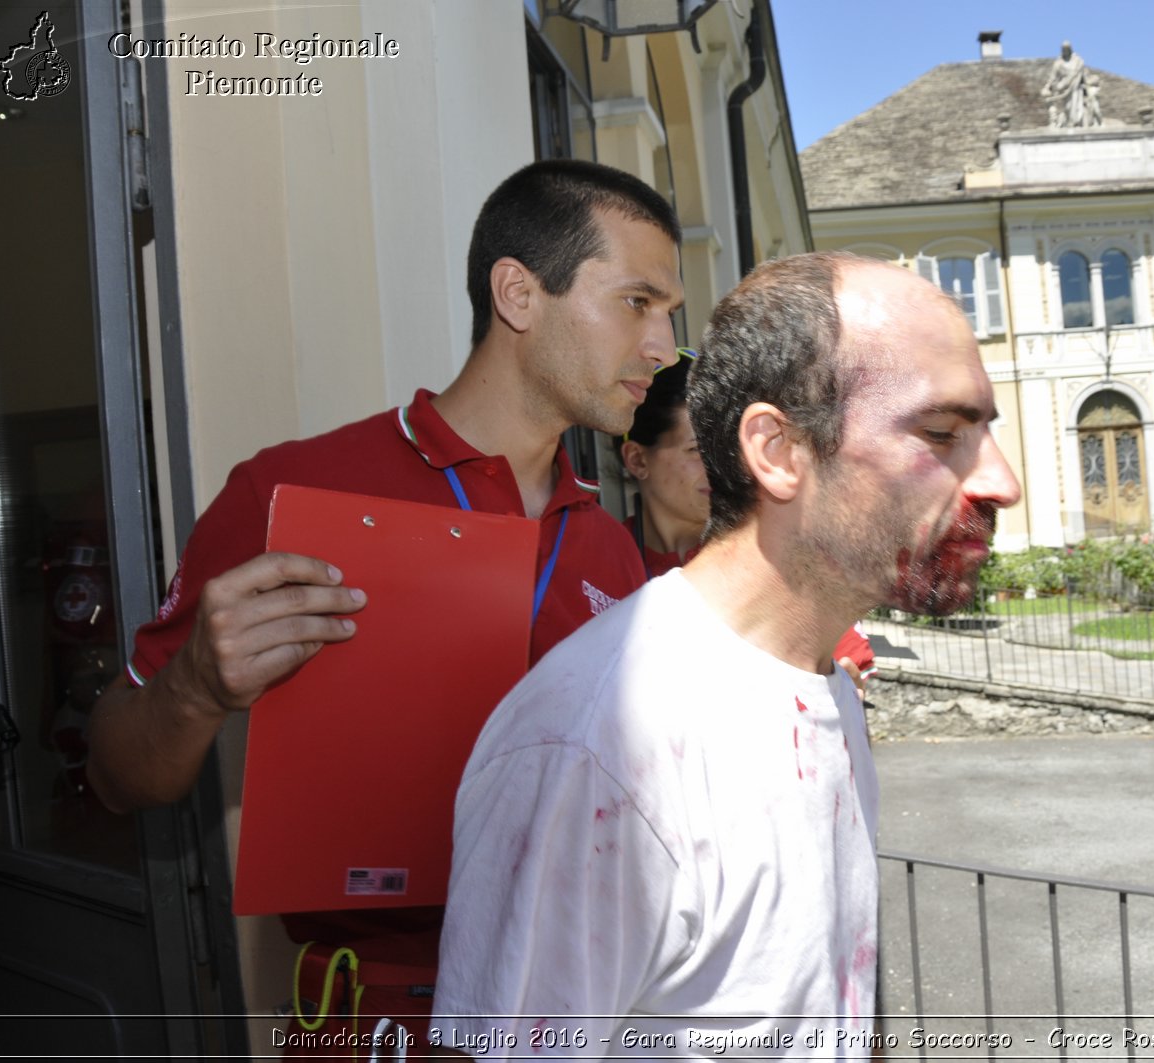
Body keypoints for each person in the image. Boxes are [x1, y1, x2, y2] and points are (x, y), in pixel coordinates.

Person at [84, 159, 684, 1047]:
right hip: (378, 1023)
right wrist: (196, 688)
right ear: (518, 293)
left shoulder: (605, 545)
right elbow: (113, 772)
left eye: (669, 312)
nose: (665, 345)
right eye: (639, 302)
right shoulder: (289, 490)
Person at [431, 252, 1020, 1054]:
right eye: (942, 432)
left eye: (986, 430)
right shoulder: (593, 748)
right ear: (777, 450)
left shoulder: (823, 684)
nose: (1002, 481)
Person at [618, 352, 878, 688]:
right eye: (698, 450)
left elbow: (848, 672)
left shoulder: (778, 554)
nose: (721, 466)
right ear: (638, 460)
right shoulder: (600, 560)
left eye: (728, 449)